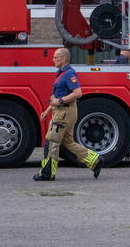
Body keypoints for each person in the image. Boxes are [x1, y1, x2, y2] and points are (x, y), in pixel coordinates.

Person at [34, 47, 102, 181]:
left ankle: (47, 173)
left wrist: (59, 101)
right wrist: (47, 110)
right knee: (68, 142)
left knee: (51, 141)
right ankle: (95, 161)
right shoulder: (60, 73)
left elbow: (77, 93)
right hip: (62, 111)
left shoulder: (69, 74)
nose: (53, 59)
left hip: (64, 113)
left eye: (55, 57)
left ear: (64, 58)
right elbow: (57, 96)